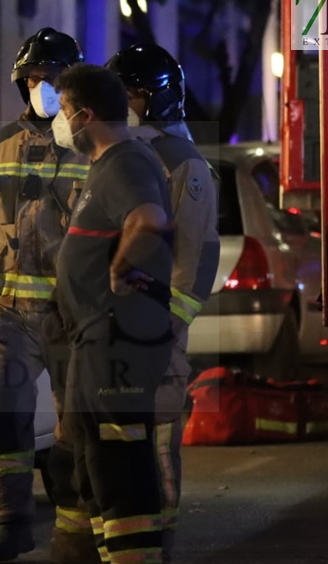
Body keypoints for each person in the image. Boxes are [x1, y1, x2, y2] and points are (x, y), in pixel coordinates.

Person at [0, 27, 93, 563]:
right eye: (33, 79)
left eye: (51, 79)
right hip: (9, 313)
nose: (40, 88)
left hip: (70, 314)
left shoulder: (94, 144)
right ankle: (11, 523)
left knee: (76, 427)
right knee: (2, 418)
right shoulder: (0, 143)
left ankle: (76, 525)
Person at [51, 63, 175, 564]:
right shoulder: (105, 165)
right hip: (94, 341)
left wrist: (120, 268)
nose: (61, 123)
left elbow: (149, 221)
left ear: (86, 114)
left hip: (115, 342)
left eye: (63, 111)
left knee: (119, 466)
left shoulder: (126, 163)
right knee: (91, 464)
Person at [106, 43, 220, 563]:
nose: (119, 104)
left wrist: (162, 326)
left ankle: (159, 550)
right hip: (109, 336)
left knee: (157, 456)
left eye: (128, 95)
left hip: (155, 336)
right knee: (116, 453)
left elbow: (192, 262)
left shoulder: (184, 165)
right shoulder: (116, 158)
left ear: (157, 100)